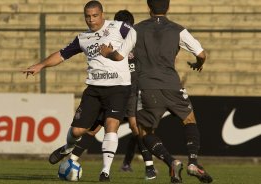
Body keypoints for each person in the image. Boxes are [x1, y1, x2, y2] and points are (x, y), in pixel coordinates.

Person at [99, 0, 213, 183]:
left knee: (144, 132)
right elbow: (201, 54)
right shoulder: (178, 30)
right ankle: (193, 161)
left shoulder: (136, 29)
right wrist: (198, 65)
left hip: (148, 88)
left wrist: (107, 53)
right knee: (189, 119)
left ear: (148, 7)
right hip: (173, 85)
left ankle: (171, 162)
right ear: (168, 7)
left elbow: (119, 56)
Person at [22, 1, 136, 182]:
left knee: (111, 126)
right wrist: (41, 65)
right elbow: (61, 55)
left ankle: (105, 172)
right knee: (76, 131)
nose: (91, 20)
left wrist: (119, 54)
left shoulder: (118, 27)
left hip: (118, 88)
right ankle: (67, 147)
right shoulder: (82, 38)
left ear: (102, 14)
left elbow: (134, 32)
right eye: (88, 17)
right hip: (94, 89)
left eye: (95, 16)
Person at [69, 9, 157, 180]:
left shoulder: (134, 43)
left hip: (129, 90)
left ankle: (148, 166)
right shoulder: (111, 43)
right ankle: (72, 157)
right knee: (95, 128)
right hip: (112, 89)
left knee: (135, 127)